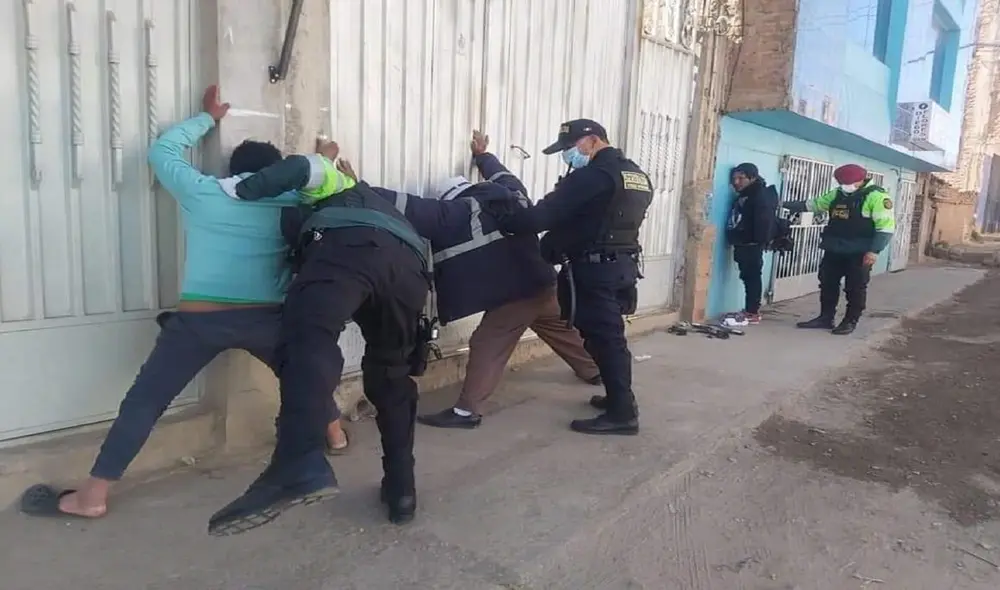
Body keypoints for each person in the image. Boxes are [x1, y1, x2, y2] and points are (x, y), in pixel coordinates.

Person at [17, 85, 348, 521]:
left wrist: (207, 118)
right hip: (269, 319)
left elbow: (162, 151)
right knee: (305, 374)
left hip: (200, 321)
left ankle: (92, 496)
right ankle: (336, 435)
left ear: (233, 169)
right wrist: (324, 152)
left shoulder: (205, 191)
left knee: (145, 401)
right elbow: (330, 183)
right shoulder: (293, 200)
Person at [207, 139, 430, 535]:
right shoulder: (358, 192)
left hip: (349, 252)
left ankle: (296, 463)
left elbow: (300, 168)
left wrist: (237, 189)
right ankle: (402, 490)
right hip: (409, 270)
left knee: (305, 336)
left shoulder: (314, 180)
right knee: (390, 377)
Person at [336, 130, 601, 430]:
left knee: (487, 343)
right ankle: (594, 370)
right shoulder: (512, 193)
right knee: (558, 328)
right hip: (543, 282)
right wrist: (483, 155)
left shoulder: (455, 213)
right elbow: (502, 174)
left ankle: (467, 412)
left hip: (514, 294)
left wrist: (358, 187)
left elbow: (405, 205)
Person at [492, 119, 653, 436]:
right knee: (605, 336)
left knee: (606, 339)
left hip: (594, 269)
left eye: (569, 148)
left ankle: (623, 412)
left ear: (591, 141)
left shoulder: (592, 177)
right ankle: (616, 399)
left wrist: (506, 217)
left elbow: (540, 217)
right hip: (621, 265)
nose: (567, 155)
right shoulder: (635, 174)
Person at [786, 164, 895, 335]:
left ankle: (850, 320)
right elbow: (814, 205)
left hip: (860, 252)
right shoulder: (837, 194)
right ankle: (825, 317)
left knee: (855, 287)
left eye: (847, 182)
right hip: (834, 248)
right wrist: (784, 204)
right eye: (841, 182)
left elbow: (886, 228)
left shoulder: (877, 197)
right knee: (827, 283)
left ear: (860, 180)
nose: (844, 185)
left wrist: (874, 251)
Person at [725, 163, 778, 325]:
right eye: (734, 178)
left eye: (741, 178)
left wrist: (757, 242)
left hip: (751, 244)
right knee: (748, 276)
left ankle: (752, 312)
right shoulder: (747, 194)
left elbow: (763, 222)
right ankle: (750, 310)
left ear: (752, 178)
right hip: (744, 243)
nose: (736, 182)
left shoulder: (758, 195)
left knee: (752, 277)